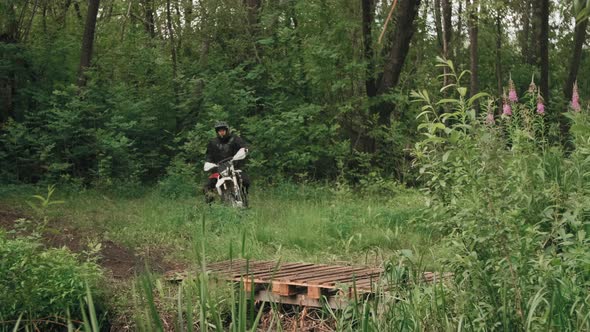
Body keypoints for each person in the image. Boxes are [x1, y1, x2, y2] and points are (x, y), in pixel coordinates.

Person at [203, 121, 250, 203]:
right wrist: (210, 164)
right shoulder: (213, 142)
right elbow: (209, 156)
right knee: (208, 187)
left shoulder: (234, 139)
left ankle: (244, 198)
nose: (222, 132)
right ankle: (211, 207)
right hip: (219, 170)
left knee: (245, 181)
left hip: (234, 167)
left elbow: (243, 147)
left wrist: (242, 152)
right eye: (219, 130)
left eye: (223, 130)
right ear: (217, 132)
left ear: (227, 130)